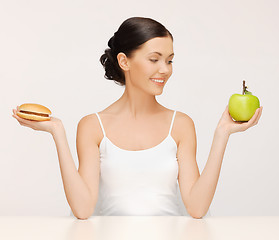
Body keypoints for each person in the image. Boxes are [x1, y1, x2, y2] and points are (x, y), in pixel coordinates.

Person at [12, 16, 263, 219]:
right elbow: (83, 209)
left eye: (169, 60)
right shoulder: (92, 126)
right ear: (124, 61)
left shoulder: (181, 124)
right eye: (154, 59)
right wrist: (58, 133)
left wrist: (222, 134)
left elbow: (196, 209)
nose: (164, 70)